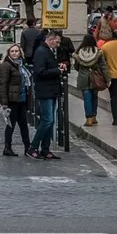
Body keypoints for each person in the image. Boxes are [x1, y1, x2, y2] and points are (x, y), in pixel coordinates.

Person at [27, 31, 66, 161]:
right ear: (50, 39)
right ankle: (33, 147)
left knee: (51, 121)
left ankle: (45, 149)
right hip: (45, 90)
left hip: (51, 90)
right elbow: (40, 71)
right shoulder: (41, 51)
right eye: (57, 42)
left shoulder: (47, 51)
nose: (58, 45)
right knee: (47, 120)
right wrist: (57, 71)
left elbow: (47, 67)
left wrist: (58, 67)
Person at [0, 43, 31, 157]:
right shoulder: (6, 65)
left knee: (24, 125)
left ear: (20, 53)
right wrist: (4, 102)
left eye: (16, 51)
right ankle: (7, 147)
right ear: (8, 53)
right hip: (12, 100)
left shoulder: (21, 65)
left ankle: (28, 147)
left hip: (22, 99)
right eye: (12, 51)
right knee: (11, 125)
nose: (14, 53)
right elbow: (2, 84)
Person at [72, 33, 110, 126]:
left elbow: (76, 66)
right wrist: (107, 79)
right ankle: (94, 117)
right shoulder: (98, 52)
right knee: (94, 97)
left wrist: (82, 71)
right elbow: (103, 67)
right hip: (95, 78)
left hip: (83, 78)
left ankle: (88, 118)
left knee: (87, 98)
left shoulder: (79, 53)